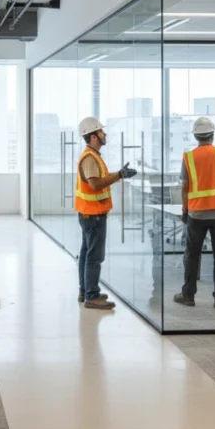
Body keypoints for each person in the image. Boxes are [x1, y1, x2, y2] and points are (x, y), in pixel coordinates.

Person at [173, 117, 215, 309]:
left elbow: (185, 187)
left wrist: (185, 210)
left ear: (196, 136)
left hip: (196, 215)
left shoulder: (188, 157)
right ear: (212, 134)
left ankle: (188, 295)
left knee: (192, 255)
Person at [74, 117, 137, 310]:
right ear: (93, 136)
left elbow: (98, 179)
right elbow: (95, 184)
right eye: (101, 132)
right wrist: (119, 175)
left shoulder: (93, 156)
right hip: (93, 215)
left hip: (89, 214)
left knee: (87, 254)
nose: (104, 134)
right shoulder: (90, 158)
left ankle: (86, 291)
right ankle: (92, 296)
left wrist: (119, 174)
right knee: (94, 257)